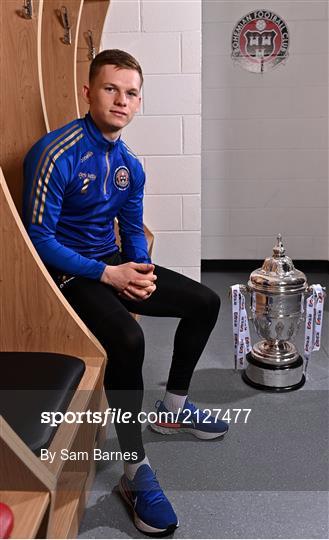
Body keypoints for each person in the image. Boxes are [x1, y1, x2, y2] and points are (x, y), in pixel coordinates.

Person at [23, 49, 228, 537]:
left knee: (206, 302)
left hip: (110, 265)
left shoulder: (129, 165)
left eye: (131, 92)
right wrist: (108, 275)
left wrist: (139, 269)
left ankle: (174, 408)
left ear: (139, 103)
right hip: (66, 274)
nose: (121, 99)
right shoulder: (56, 152)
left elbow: (132, 227)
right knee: (129, 342)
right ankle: (134, 473)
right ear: (88, 92)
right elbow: (38, 240)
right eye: (110, 88)